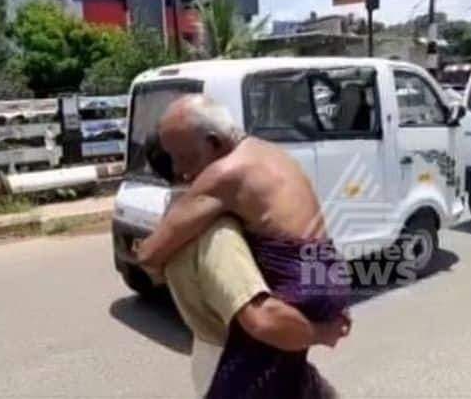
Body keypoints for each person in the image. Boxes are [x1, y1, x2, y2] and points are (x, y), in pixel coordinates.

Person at [133, 94, 351, 397]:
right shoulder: (268, 152)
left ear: (214, 143)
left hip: (299, 286)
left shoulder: (223, 177)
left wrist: (320, 333)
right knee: (291, 380)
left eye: (183, 157)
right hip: (327, 272)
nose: (182, 170)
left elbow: (151, 252)